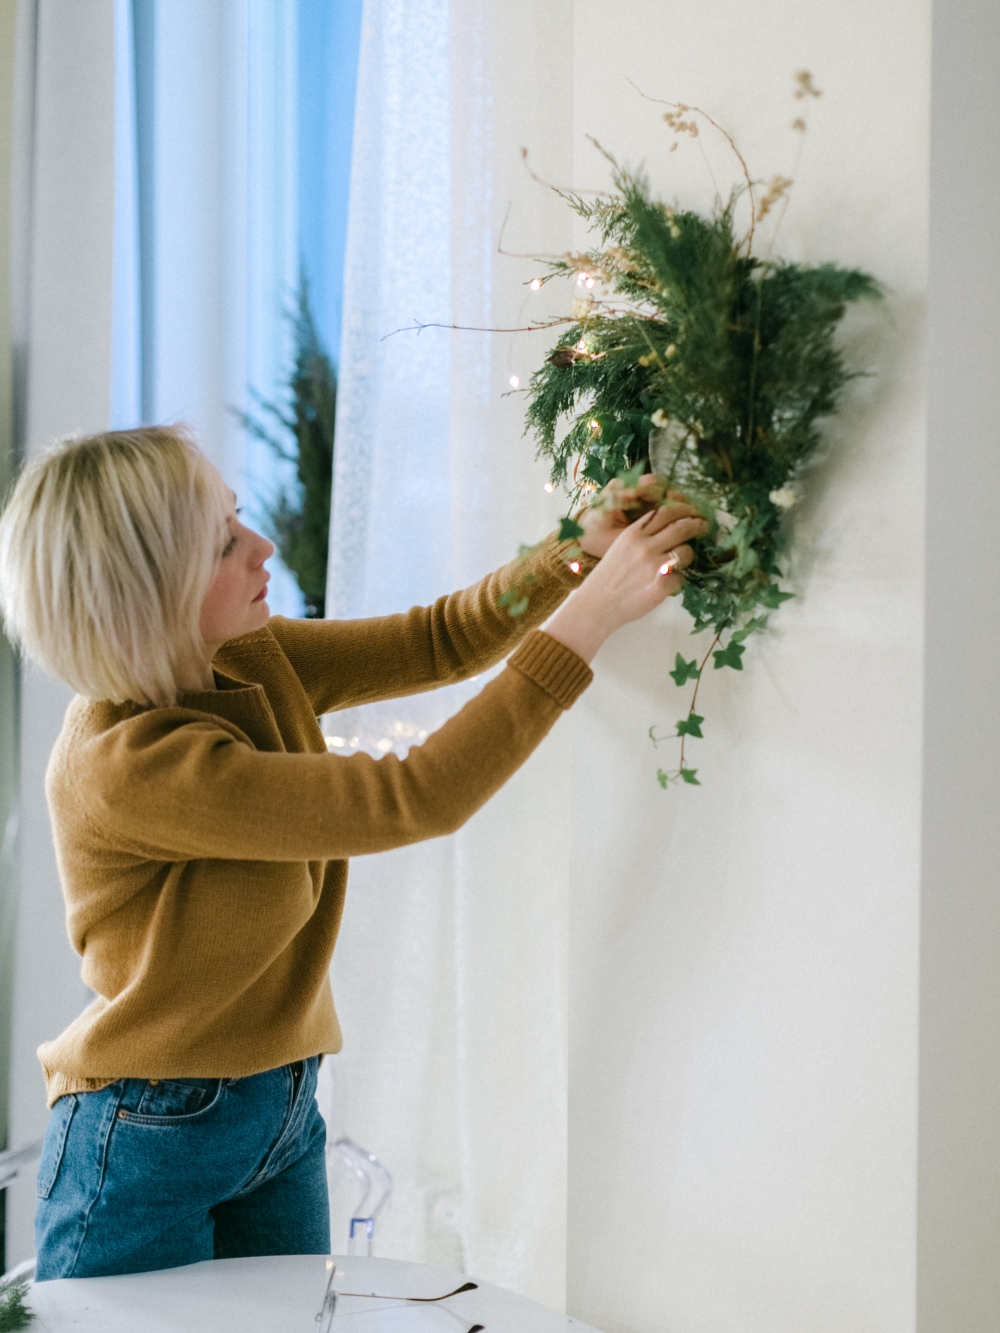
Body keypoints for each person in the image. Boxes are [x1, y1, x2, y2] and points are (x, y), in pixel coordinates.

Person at [0, 425, 707, 1280]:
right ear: (146, 592)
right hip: (148, 1133)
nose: (261, 547)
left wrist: (571, 555)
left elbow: (436, 640)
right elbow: (418, 795)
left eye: (238, 516)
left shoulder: (242, 657)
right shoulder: (129, 767)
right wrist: (590, 618)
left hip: (280, 1107)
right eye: (225, 544)